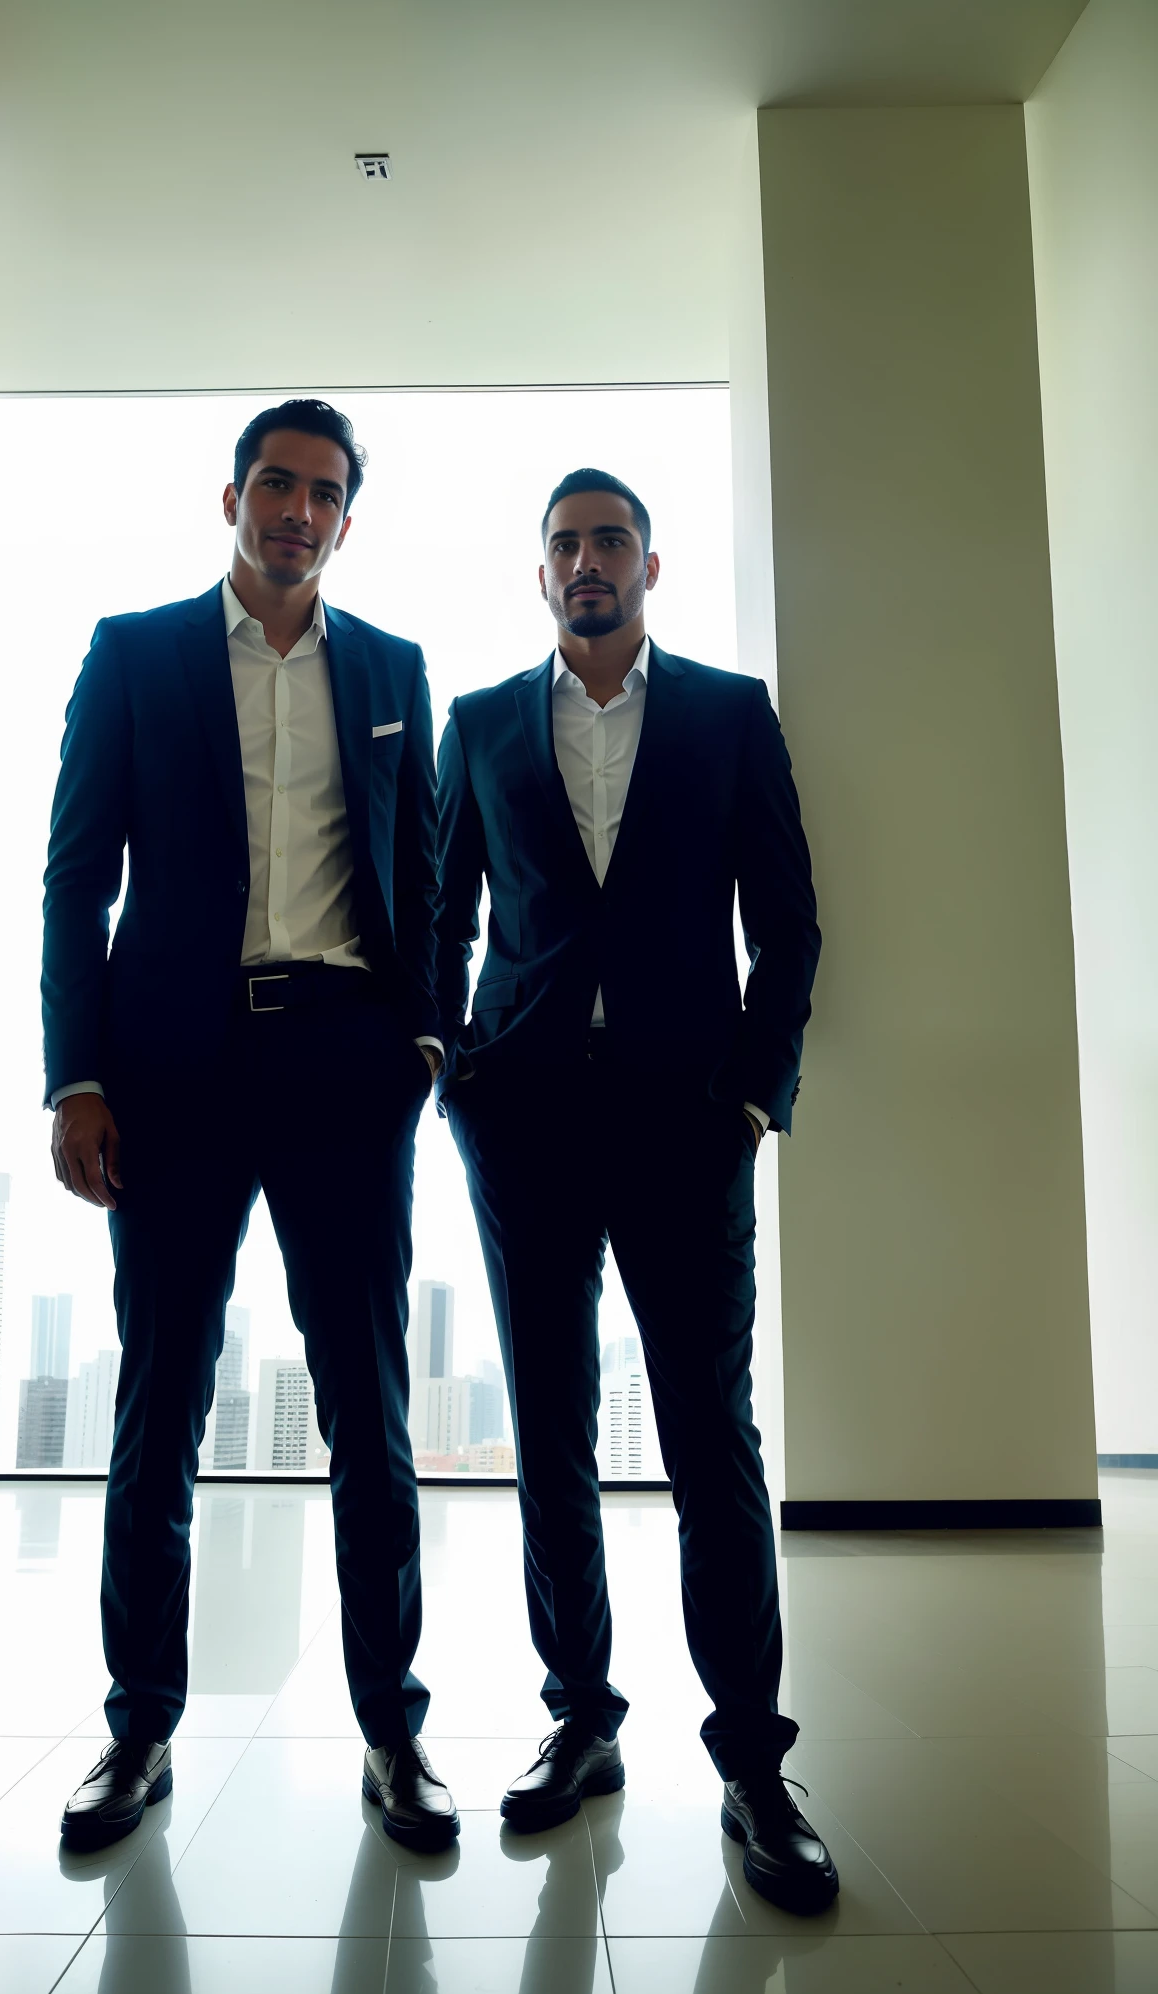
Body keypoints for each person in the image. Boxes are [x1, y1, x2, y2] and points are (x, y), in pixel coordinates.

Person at [42, 399, 458, 1854]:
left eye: (324, 493)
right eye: (276, 483)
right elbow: (74, 880)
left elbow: (430, 878)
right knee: (161, 1394)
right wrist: (73, 1075)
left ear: (350, 519)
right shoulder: (135, 653)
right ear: (232, 495)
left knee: (372, 1410)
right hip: (171, 1068)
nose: (296, 509)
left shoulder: (396, 671)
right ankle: (137, 1726)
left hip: (346, 1060)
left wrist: (422, 1039)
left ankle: (394, 1733)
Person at [431, 467, 835, 1913]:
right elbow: (442, 913)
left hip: (683, 1121)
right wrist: (451, 1068)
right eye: (563, 545)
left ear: (649, 567)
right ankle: (581, 1716)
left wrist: (750, 1096)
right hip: (525, 1115)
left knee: (707, 1430)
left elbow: (787, 925)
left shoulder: (728, 714)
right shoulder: (479, 726)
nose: (586, 562)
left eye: (609, 541)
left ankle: (751, 1763)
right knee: (547, 1419)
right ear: (541, 576)